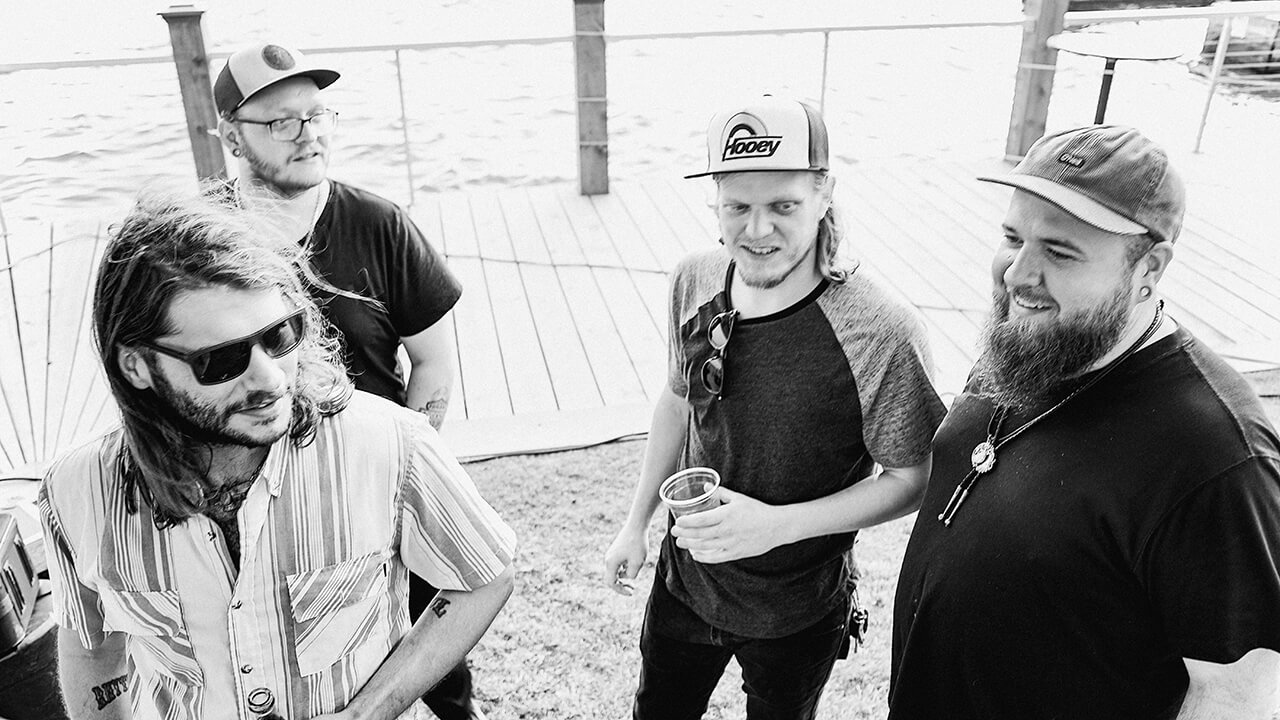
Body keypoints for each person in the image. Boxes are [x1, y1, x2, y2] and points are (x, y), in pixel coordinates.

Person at [38, 192, 516, 720]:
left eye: (279, 336)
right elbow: (90, 647)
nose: (269, 379)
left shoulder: (392, 445)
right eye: (220, 360)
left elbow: (485, 576)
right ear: (137, 367)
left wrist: (370, 711)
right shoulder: (75, 492)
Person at [889, 125, 1280, 720]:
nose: (1018, 273)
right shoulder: (1031, 340)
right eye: (1011, 237)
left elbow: (1235, 696)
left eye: (1060, 251)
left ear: (1148, 266)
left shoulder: (1217, 456)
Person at [603, 96, 947, 720]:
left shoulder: (881, 329)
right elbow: (679, 400)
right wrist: (637, 524)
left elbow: (912, 479)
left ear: (824, 195)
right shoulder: (694, 278)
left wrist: (776, 525)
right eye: (738, 207)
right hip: (687, 581)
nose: (756, 232)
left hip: (799, 606)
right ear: (716, 201)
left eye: (783, 206)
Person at [213, 43, 481, 719]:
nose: (309, 133)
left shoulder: (381, 225)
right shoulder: (203, 237)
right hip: (247, 497)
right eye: (281, 121)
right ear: (229, 136)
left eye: (317, 114)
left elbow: (434, 363)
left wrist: (402, 472)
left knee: (435, 660)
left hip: (376, 487)